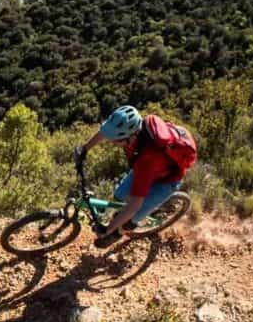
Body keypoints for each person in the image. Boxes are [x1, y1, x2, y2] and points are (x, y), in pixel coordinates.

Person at [76, 105, 196, 248]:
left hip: (166, 180)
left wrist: (109, 230)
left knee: (130, 219)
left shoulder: (147, 161)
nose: (112, 143)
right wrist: (85, 149)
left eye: (116, 140)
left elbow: (134, 205)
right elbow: (105, 133)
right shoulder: (134, 130)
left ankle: (119, 234)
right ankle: (118, 219)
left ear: (130, 138)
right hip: (149, 169)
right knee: (119, 195)